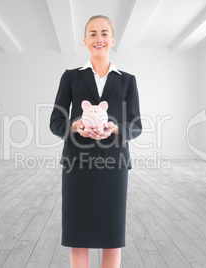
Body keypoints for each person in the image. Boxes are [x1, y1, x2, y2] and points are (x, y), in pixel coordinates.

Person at [50, 15, 142, 268]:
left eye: (104, 33)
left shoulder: (127, 80)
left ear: (112, 39)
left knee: (111, 239)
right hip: (77, 165)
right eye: (92, 33)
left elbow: (136, 125)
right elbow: (56, 122)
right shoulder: (70, 77)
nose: (98, 38)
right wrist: (76, 126)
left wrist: (115, 129)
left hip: (114, 165)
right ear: (84, 40)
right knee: (78, 238)